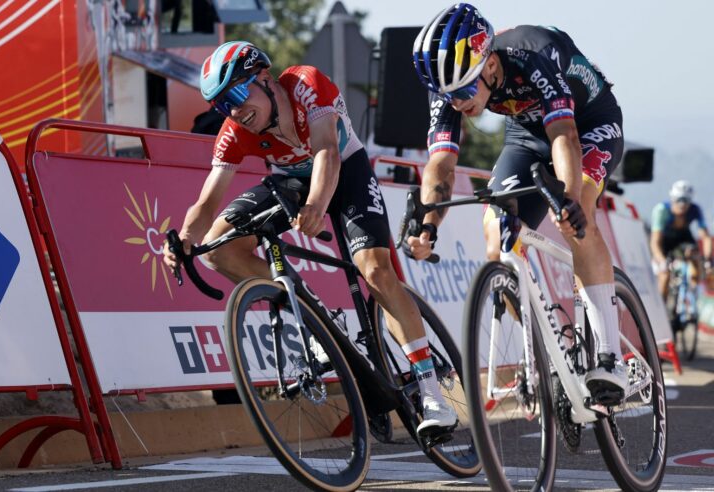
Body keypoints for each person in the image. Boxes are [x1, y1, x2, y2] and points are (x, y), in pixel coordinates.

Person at [163, 41, 457, 436]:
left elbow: (327, 153)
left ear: (264, 79)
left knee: (375, 269)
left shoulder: (305, 84)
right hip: (292, 182)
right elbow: (207, 200)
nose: (233, 111)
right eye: (221, 105)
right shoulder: (235, 131)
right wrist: (183, 239)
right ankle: (316, 318)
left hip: (345, 169)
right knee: (220, 249)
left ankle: (430, 389)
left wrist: (317, 205)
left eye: (236, 95)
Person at [406, 4, 628, 405]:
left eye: (464, 91)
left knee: (577, 219)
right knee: (498, 238)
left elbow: (565, 137)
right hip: (526, 136)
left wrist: (571, 199)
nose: (457, 104)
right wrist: (428, 223)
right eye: (448, 96)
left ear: (490, 65)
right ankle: (549, 354)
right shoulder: (450, 85)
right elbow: (441, 164)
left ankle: (610, 357)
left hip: (589, 125)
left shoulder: (534, 53)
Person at [650, 180, 712, 300]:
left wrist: (707, 259)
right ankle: (662, 305)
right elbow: (655, 241)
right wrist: (661, 260)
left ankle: (693, 296)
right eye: (679, 200)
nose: (682, 205)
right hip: (665, 241)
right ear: (672, 199)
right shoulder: (661, 210)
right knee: (664, 274)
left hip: (683, 238)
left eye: (686, 201)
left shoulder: (695, 210)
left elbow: (705, 237)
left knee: (695, 256)